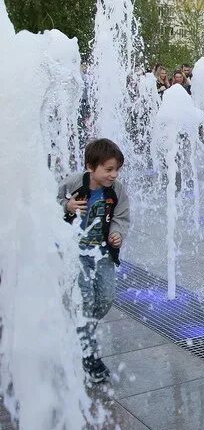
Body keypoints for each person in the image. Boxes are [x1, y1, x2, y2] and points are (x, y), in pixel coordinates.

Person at [58, 139, 130, 383]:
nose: (114, 174)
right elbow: (48, 205)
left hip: (102, 253)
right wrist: (66, 205)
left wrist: (117, 232)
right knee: (86, 300)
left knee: (105, 298)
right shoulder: (73, 183)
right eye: (108, 169)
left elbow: (121, 216)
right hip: (75, 253)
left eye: (116, 169)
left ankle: (79, 329)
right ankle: (88, 355)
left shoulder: (117, 190)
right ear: (91, 166)